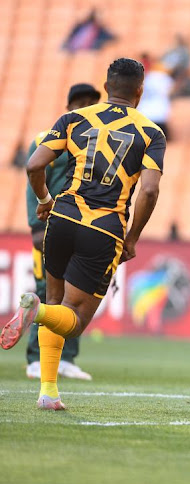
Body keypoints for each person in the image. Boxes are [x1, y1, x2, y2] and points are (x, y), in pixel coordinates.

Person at [1, 58, 166, 411]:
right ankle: (37, 314)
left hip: (60, 219)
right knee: (73, 321)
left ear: (106, 87)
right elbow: (149, 191)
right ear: (140, 91)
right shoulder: (151, 133)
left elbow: (34, 165)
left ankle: (48, 392)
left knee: (57, 302)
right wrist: (133, 238)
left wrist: (44, 201)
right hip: (102, 229)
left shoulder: (75, 119)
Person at [24, 83, 102, 381]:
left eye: (90, 103)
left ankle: (66, 358)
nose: (84, 107)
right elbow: (34, 177)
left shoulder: (93, 142)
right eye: (80, 102)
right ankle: (36, 358)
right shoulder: (47, 140)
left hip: (80, 227)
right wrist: (35, 226)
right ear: (69, 105)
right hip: (49, 226)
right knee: (47, 293)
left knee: (76, 295)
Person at [137, 60, 173, 140]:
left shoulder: (144, 78)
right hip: (160, 115)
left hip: (144, 115)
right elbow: (169, 92)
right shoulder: (165, 78)